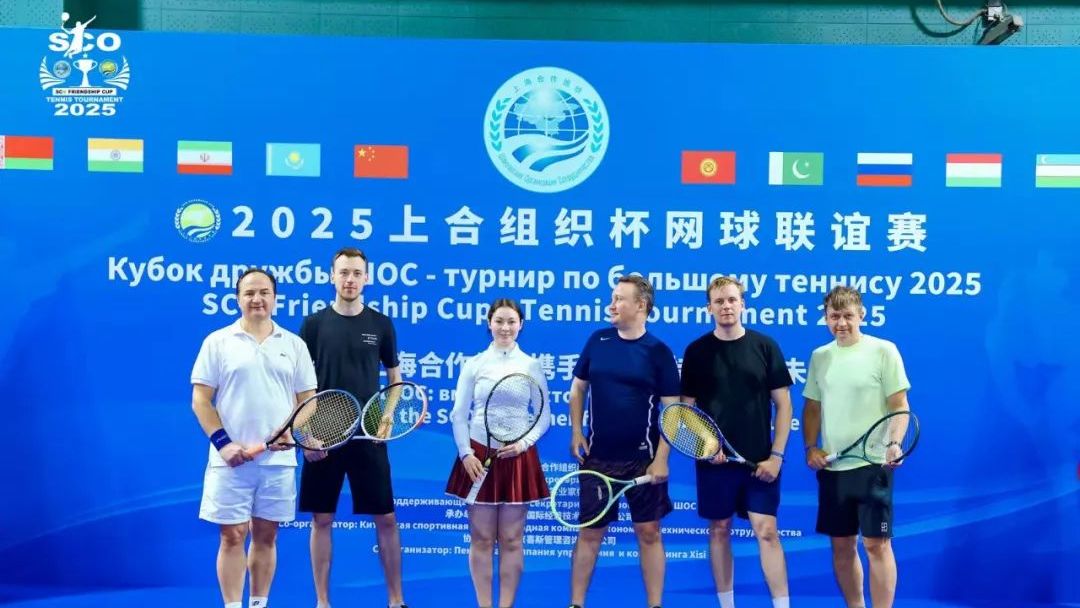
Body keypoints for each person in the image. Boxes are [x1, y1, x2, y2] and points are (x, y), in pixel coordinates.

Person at [191, 268, 317, 608]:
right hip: (229, 461)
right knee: (232, 535)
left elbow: (308, 400)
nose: (257, 299)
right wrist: (224, 444)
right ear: (238, 299)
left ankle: (259, 603)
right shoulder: (217, 342)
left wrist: (292, 431)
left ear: (274, 298)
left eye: (264, 293)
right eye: (249, 293)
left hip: (278, 463)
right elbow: (201, 400)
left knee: (266, 535)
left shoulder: (294, 345)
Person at [297, 247, 406, 608]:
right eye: (343, 272)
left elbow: (394, 379)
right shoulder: (313, 325)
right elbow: (297, 384)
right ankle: (322, 602)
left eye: (357, 273)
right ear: (332, 276)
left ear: (367, 278)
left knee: (386, 519)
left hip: (369, 433)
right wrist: (305, 435)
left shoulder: (381, 324)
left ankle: (396, 600)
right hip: (323, 433)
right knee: (322, 519)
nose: (350, 279)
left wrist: (386, 415)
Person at [567, 275, 681, 608]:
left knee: (649, 532)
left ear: (641, 305)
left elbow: (673, 411)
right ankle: (576, 604)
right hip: (597, 460)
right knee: (590, 533)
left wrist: (662, 459)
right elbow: (578, 388)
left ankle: (655, 605)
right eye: (612, 297)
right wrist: (576, 431)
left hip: (643, 462)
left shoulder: (659, 352)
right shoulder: (598, 340)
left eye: (619, 299)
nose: (611, 305)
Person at [680, 277, 793, 608]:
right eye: (719, 301)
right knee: (719, 529)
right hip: (714, 463)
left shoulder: (765, 346)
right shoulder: (696, 351)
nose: (726, 306)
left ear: (742, 304)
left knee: (766, 530)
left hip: (761, 462)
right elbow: (686, 410)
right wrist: (706, 445)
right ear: (709, 308)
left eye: (732, 300)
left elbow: (784, 406)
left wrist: (776, 456)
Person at [802, 286, 912, 608]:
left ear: (861, 315)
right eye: (834, 316)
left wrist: (894, 444)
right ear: (826, 318)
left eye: (848, 316)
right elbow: (812, 407)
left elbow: (899, 405)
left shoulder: (884, 351)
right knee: (842, 547)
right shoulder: (820, 357)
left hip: (873, 465)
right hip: (834, 469)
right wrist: (811, 447)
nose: (841, 323)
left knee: (877, 545)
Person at [446, 298, 551, 608]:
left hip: (518, 457)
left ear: (521, 325)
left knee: (512, 539)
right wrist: (466, 454)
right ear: (489, 324)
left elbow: (544, 415)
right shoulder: (475, 364)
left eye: (511, 322)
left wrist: (524, 443)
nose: (505, 327)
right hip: (478, 456)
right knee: (481, 538)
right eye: (499, 321)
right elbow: (458, 415)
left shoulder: (531, 365)